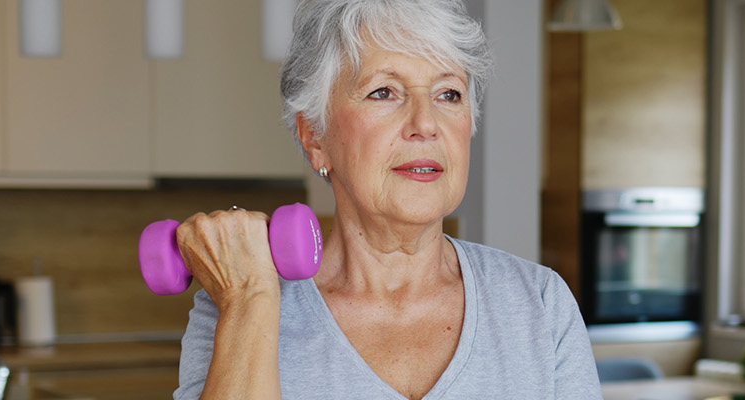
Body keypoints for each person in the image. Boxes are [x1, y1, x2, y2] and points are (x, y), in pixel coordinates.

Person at [172, 1, 601, 399]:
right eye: (384, 92)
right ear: (315, 137)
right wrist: (248, 297)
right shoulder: (236, 302)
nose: (425, 123)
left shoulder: (541, 304)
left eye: (448, 94)